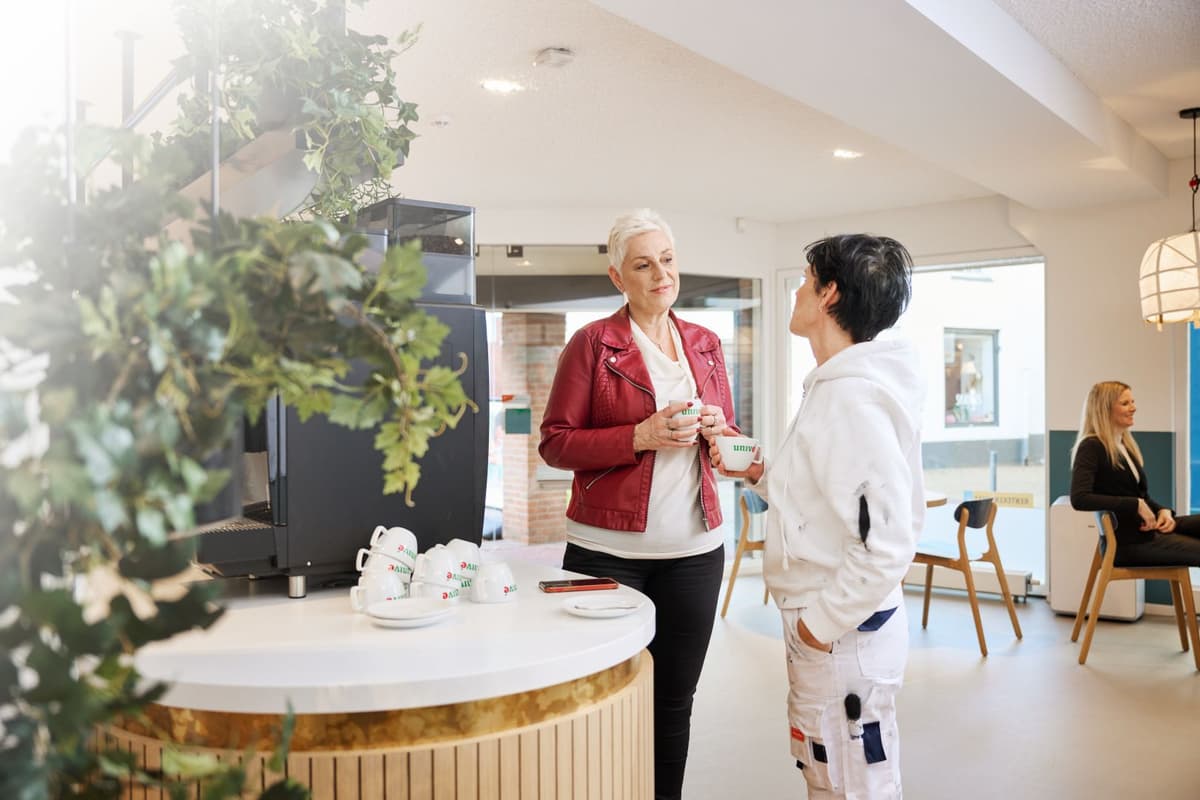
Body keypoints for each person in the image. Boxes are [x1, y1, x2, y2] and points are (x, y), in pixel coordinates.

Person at [712, 234, 924, 799]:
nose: (797, 292)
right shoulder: (839, 389)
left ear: (829, 294)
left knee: (850, 784)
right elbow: (829, 503)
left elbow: (886, 543)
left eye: (806, 281)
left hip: (842, 634)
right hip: (837, 631)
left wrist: (818, 627)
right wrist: (761, 472)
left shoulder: (852, 399)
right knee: (828, 774)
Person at [539, 209, 737, 800]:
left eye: (668, 260)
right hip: (605, 554)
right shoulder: (592, 344)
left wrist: (722, 434)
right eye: (644, 265)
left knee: (674, 702)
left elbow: (730, 436)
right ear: (617, 277)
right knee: (598, 698)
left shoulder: (705, 343)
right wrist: (639, 436)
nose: (661, 275)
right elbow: (555, 442)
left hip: (696, 554)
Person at [1070, 380, 1200, 566]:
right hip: (1128, 544)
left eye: (1132, 402)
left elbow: (1141, 496)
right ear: (1104, 410)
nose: (1133, 408)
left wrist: (1163, 510)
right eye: (1125, 403)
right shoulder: (1091, 447)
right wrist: (1136, 504)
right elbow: (1079, 498)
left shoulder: (1123, 445)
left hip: (1146, 532)